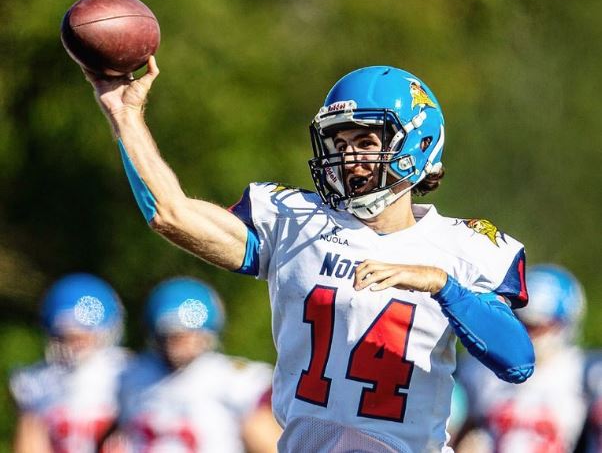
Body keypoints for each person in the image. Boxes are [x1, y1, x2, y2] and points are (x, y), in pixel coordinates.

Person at [83, 60, 535, 452]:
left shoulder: (463, 247)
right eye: (339, 144)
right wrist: (125, 115)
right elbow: (171, 214)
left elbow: (516, 362)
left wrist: (442, 285)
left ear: (417, 147)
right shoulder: (296, 221)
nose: (348, 158)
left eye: (366, 142)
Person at [111, 276, 280, 452]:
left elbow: (266, 439)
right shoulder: (131, 374)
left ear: (207, 335)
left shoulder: (229, 378)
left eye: (186, 336)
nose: (178, 346)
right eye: (171, 336)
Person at [454, 264, 589, 453]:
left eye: (539, 327)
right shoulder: (479, 368)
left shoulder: (583, 373)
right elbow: (455, 429)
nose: (529, 334)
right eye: (524, 323)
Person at [9, 272, 128, 453]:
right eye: (66, 337)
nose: (75, 346)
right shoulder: (38, 381)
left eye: (82, 337)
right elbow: (30, 445)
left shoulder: (126, 371)